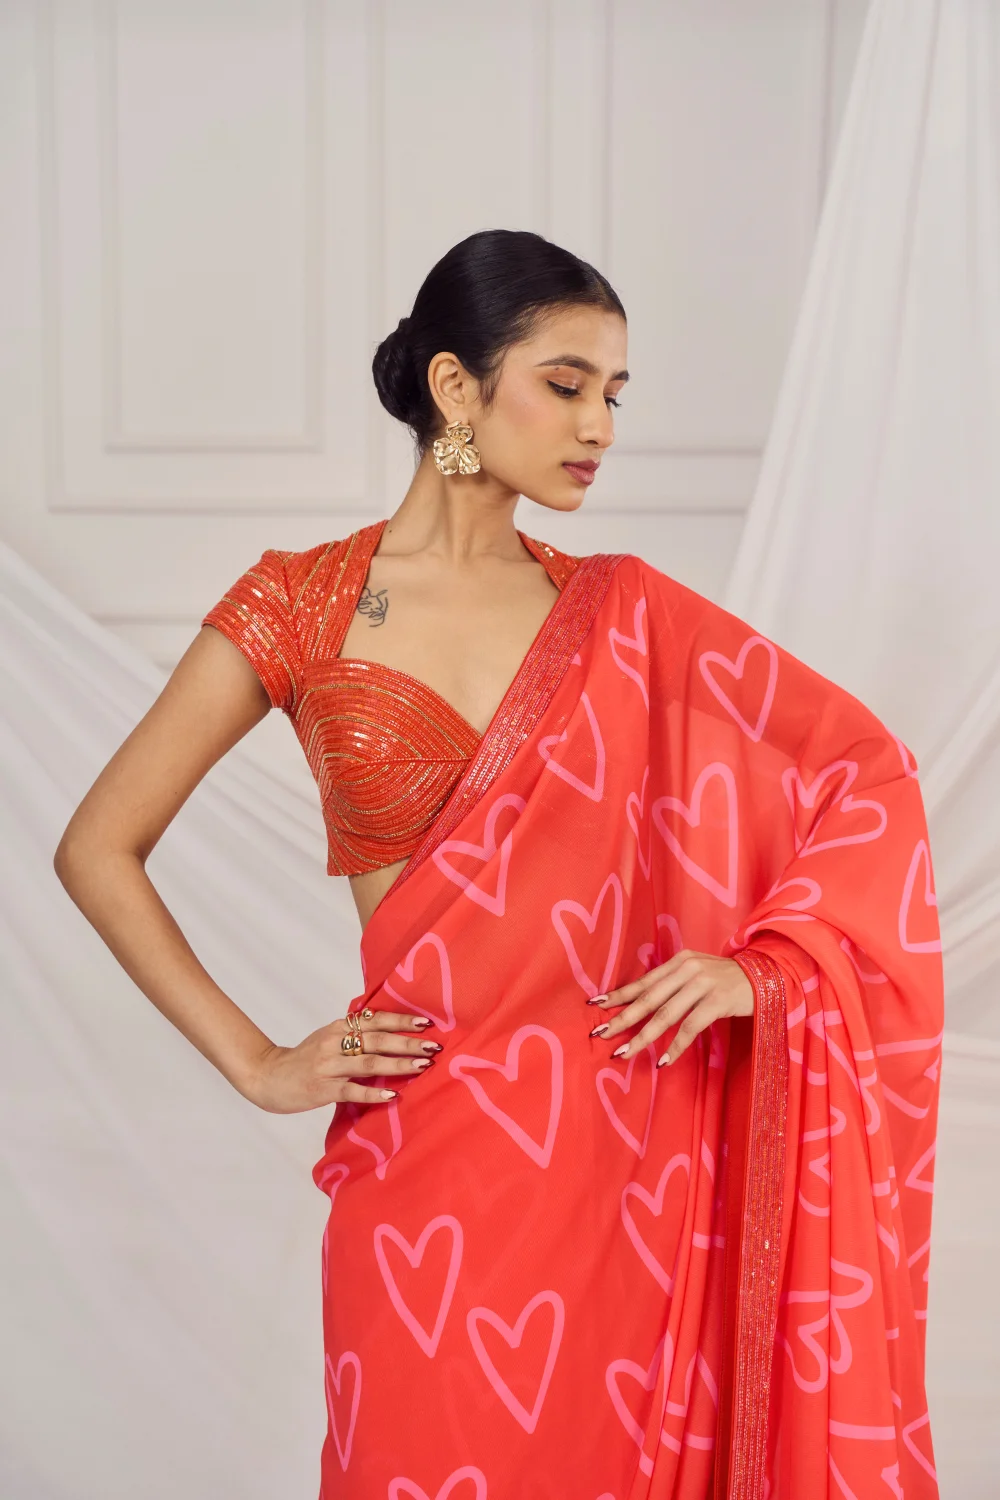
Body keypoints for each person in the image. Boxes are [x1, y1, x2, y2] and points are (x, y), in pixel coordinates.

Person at [54, 229, 942, 1499]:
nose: (599, 427)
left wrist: (763, 970)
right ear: (455, 387)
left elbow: (864, 773)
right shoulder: (305, 603)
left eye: (615, 394)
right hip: (425, 1158)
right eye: (566, 384)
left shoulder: (629, 615)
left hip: (627, 1162)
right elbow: (100, 845)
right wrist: (259, 1063)